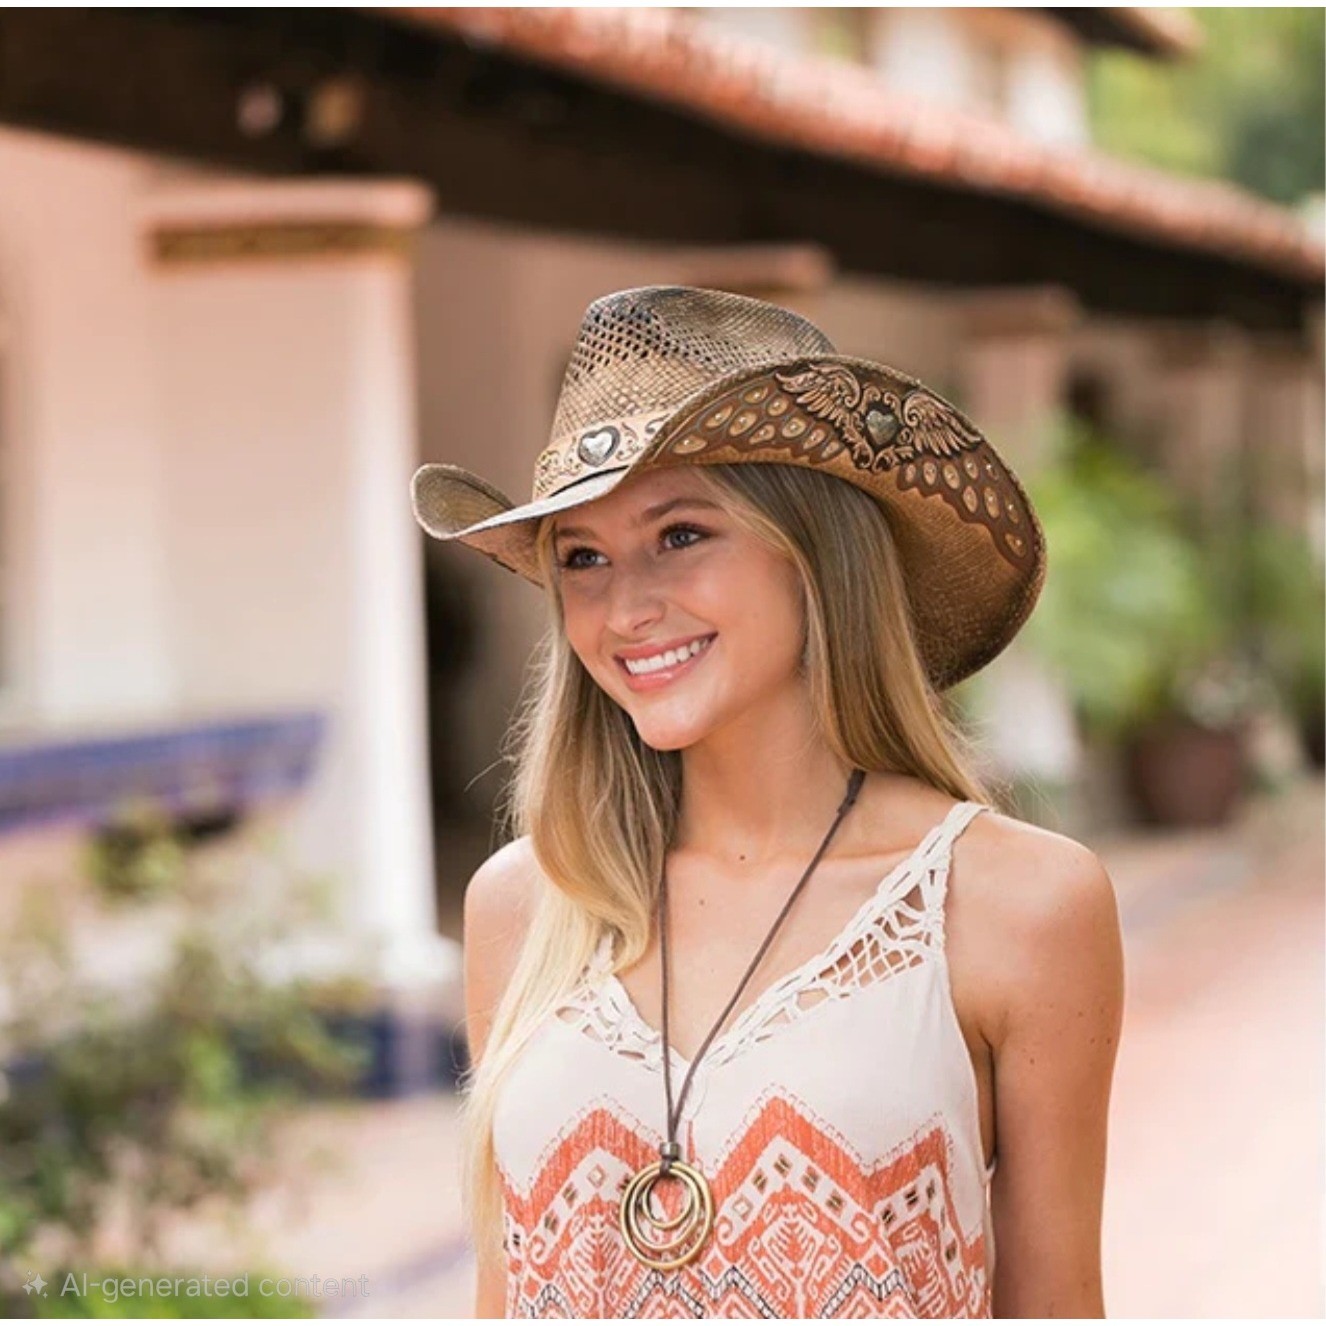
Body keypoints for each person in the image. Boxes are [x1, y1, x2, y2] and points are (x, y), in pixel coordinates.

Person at [412, 287, 1124, 1319]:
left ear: (817, 554)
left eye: (682, 534)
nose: (626, 606)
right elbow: (504, 1292)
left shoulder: (1019, 906)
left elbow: (1057, 1307)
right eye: (582, 557)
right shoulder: (526, 906)